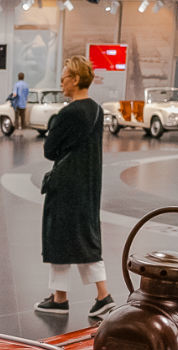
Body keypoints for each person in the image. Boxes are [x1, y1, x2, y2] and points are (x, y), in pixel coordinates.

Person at [34, 56, 112, 319]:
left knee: (58, 237)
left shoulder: (68, 113)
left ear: (76, 79)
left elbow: (49, 150)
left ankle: (60, 298)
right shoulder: (97, 110)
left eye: (65, 76)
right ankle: (102, 296)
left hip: (65, 184)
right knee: (85, 236)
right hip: (89, 184)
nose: (61, 81)